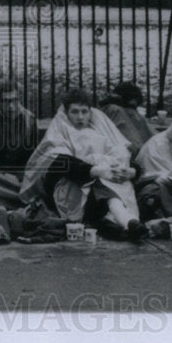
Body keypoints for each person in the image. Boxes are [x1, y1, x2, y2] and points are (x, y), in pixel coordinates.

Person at [21, 88, 148, 241]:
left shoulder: (99, 132)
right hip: (68, 189)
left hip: (98, 192)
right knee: (100, 181)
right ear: (66, 113)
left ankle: (119, 223)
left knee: (106, 180)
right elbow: (60, 163)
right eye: (74, 112)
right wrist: (96, 170)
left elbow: (123, 157)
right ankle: (127, 220)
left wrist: (132, 171)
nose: (80, 117)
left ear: (90, 112)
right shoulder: (60, 130)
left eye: (84, 111)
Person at [99, 81, 156, 157]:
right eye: (130, 107)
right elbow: (134, 146)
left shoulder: (136, 116)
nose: (133, 111)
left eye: (134, 108)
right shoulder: (115, 110)